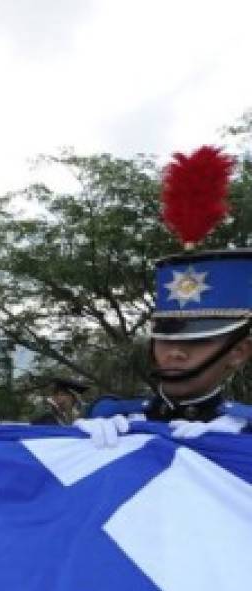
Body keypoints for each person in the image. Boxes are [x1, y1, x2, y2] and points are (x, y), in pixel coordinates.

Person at [77, 147, 252, 446]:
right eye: (166, 338)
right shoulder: (108, 419)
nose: (175, 352)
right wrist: (70, 443)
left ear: (238, 352)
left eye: (198, 340)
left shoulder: (243, 431)